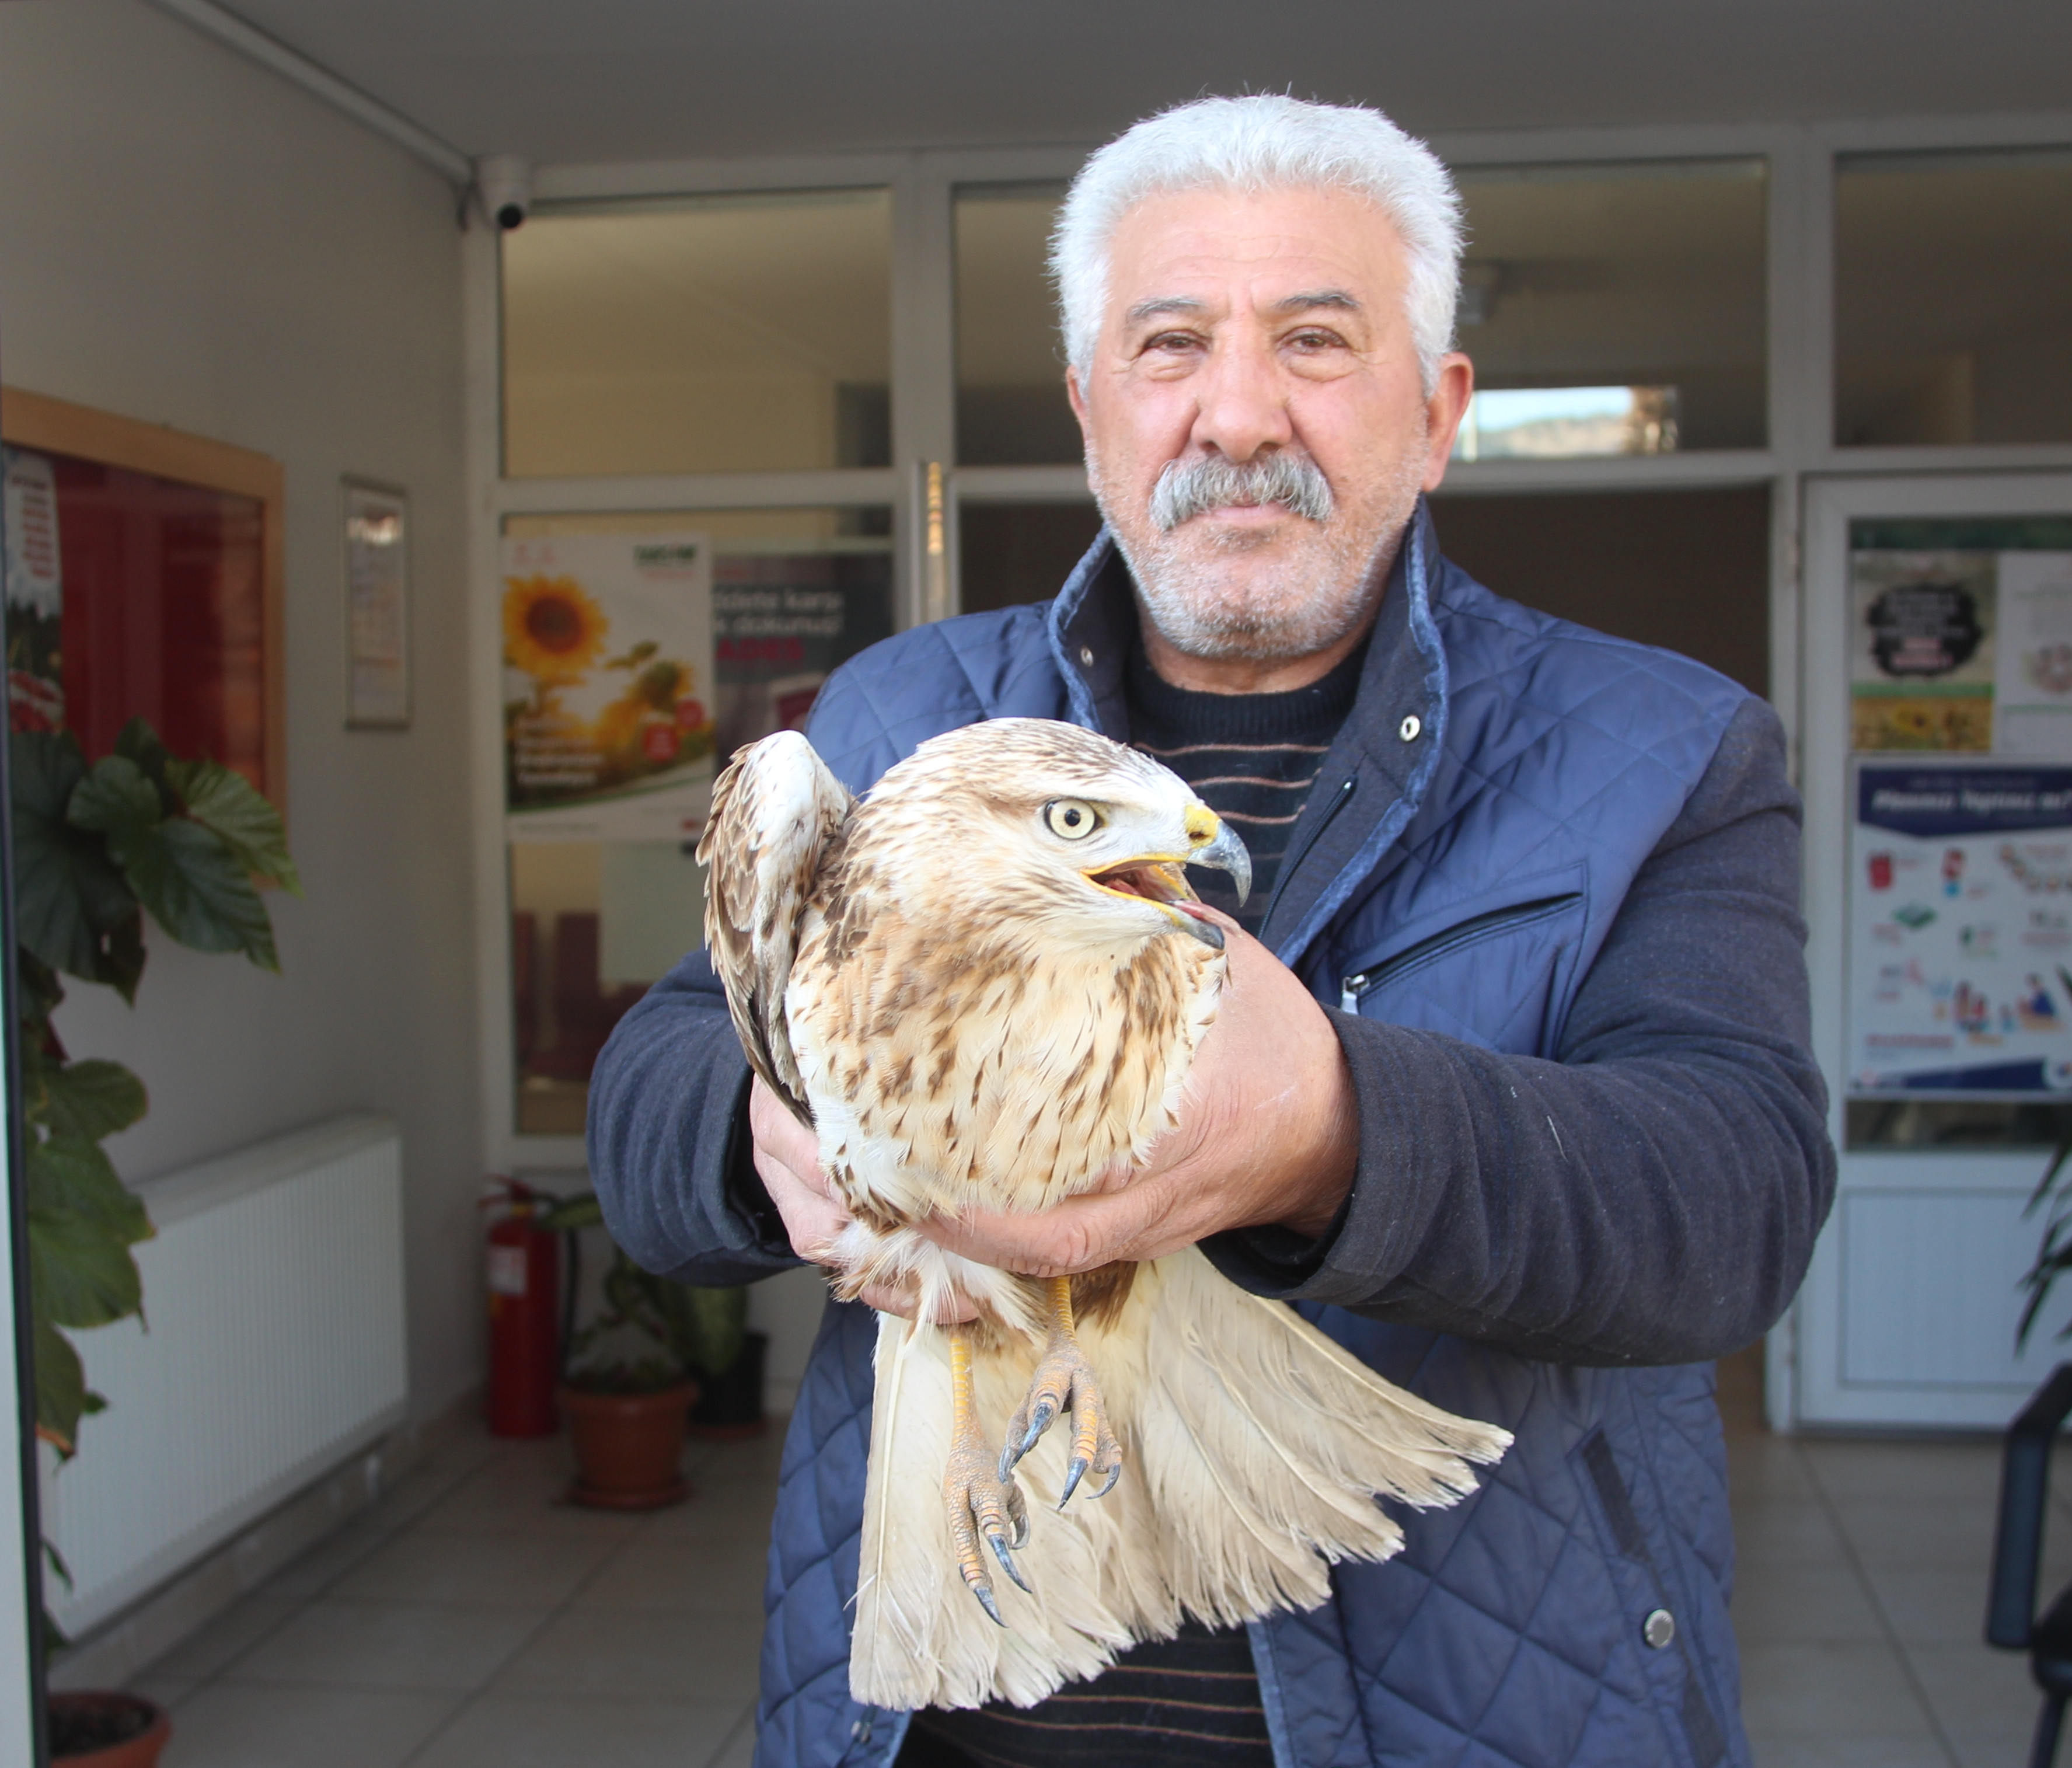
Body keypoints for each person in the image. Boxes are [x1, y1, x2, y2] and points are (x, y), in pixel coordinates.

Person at [591, 94, 1834, 1768]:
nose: (1238, 412)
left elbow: (1735, 1202)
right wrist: (770, 1136)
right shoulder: (904, 717)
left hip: (1484, 1713)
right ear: (1095, 404)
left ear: (1439, 407)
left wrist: (1333, 1137)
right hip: (943, 1726)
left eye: (1317, 340)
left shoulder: (1662, 748)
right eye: (1169, 344)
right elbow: (649, 1107)